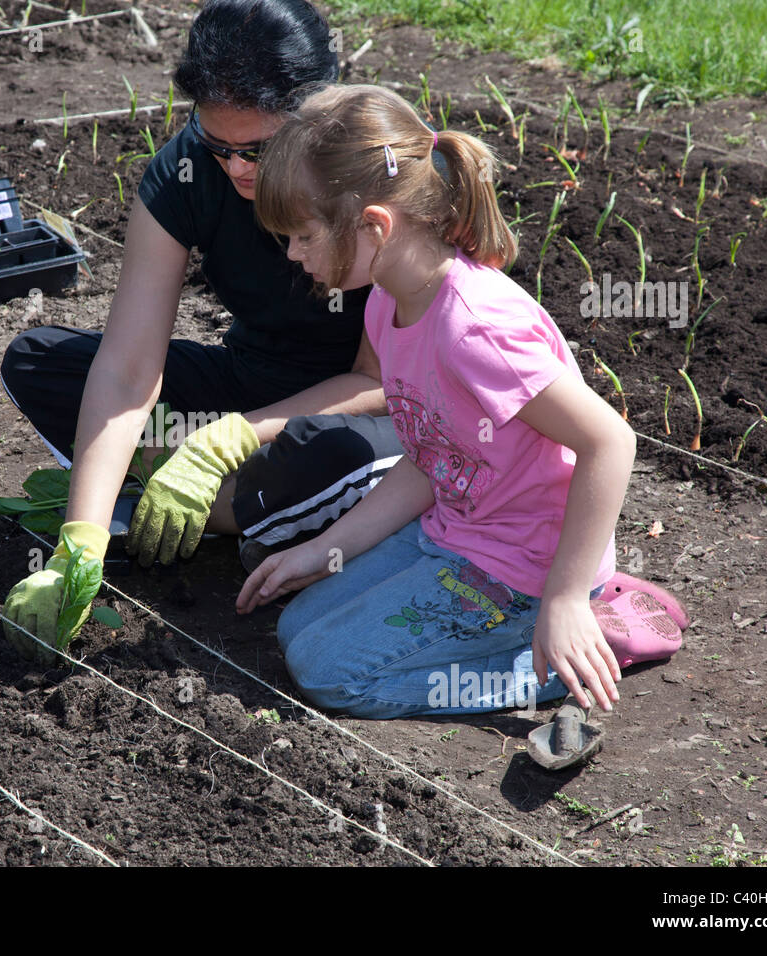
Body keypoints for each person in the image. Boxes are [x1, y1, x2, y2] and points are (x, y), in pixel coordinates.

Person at [236, 83, 663, 718]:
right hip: (457, 535)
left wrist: (566, 598)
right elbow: (430, 455)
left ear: (377, 226)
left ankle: (582, 645)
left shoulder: (476, 332)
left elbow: (609, 441)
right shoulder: (389, 302)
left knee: (329, 674)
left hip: (527, 571)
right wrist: (325, 549)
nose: (295, 255)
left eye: (302, 236)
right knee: (299, 628)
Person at [0, 0, 406, 662]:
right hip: (247, 382)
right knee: (40, 361)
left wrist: (228, 439)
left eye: (260, 150)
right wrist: (80, 542)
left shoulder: (378, 178)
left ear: (320, 109)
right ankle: (227, 503)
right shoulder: (187, 172)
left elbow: (377, 381)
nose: (238, 169)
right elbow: (131, 369)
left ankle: (207, 500)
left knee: (333, 456)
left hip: (359, 412)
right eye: (219, 146)